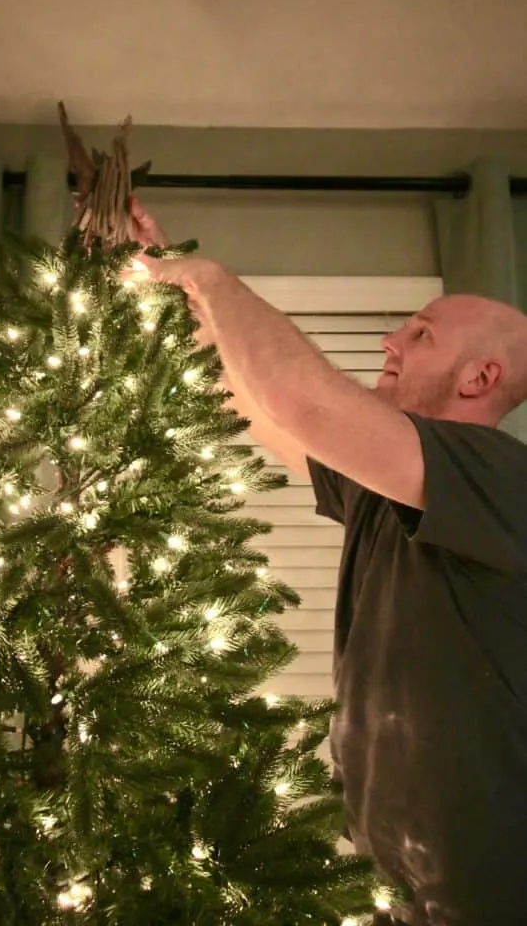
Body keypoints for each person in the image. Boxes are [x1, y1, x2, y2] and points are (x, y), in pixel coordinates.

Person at [125, 197, 527, 926]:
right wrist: (175, 277)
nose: (388, 340)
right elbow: (256, 403)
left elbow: (300, 399)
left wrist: (213, 278)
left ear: (479, 378)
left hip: (483, 890)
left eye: (420, 334)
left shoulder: (496, 475)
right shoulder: (389, 488)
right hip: (390, 874)